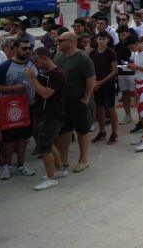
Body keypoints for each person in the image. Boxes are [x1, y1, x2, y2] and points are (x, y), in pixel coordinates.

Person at [53, 31, 95, 173]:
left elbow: (91, 79)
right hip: (62, 101)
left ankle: (83, 160)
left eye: (61, 40)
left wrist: (86, 98)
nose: (58, 42)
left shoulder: (82, 58)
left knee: (82, 130)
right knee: (64, 130)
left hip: (78, 101)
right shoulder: (58, 56)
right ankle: (63, 159)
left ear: (71, 41)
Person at [25, 47, 66, 190]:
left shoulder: (58, 74)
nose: (35, 64)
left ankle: (51, 178)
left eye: (36, 61)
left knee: (45, 147)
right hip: (42, 113)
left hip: (52, 115)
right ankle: (59, 170)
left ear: (45, 58)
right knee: (48, 143)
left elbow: (46, 94)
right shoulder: (44, 72)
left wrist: (32, 79)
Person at [0, 38, 38, 180]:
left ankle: (21, 165)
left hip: (29, 108)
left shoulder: (33, 64)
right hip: (10, 110)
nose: (27, 51)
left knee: (24, 138)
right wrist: (12, 89)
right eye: (24, 49)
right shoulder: (5, 67)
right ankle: (7, 166)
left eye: (29, 48)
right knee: (9, 140)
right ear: (15, 49)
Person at [89, 31, 118, 144]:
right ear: (96, 39)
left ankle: (114, 133)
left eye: (103, 39)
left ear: (107, 40)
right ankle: (102, 132)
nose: (101, 41)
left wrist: (101, 82)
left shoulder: (111, 53)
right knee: (99, 108)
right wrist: (94, 82)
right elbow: (91, 68)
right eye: (99, 38)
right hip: (97, 84)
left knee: (110, 108)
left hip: (108, 84)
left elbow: (114, 70)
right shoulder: (93, 52)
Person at [115, 26, 135, 125]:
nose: (122, 37)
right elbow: (117, 59)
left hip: (132, 73)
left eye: (124, 35)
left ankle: (142, 116)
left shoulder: (133, 45)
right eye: (120, 35)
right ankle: (128, 115)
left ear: (128, 34)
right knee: (125, 94)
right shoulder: (118, 45)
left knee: (134, 94)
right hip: (122, 72)